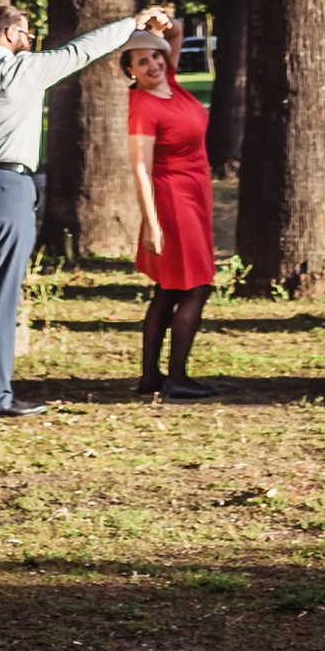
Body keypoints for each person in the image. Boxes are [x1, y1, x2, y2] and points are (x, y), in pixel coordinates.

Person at [0, 0, 168, 418]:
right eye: (25, 34)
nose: (28, 41)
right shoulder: (23, 70)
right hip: (7, 186)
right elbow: (82, 50)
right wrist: (131, 24)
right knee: (2, 297)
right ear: (8, 34)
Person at [126, 33, 216, 399]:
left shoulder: (171, 85)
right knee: (197, 285)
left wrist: (160, 21)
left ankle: (151, 377)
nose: (154, 65)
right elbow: (141, 169)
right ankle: (176, 377)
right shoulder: (144, 106)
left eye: (155, 57)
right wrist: (152, 222)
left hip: (195, 194)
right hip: (172, 199)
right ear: (130, 72)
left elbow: (175, 30)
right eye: (142, 62)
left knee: (168, 288)